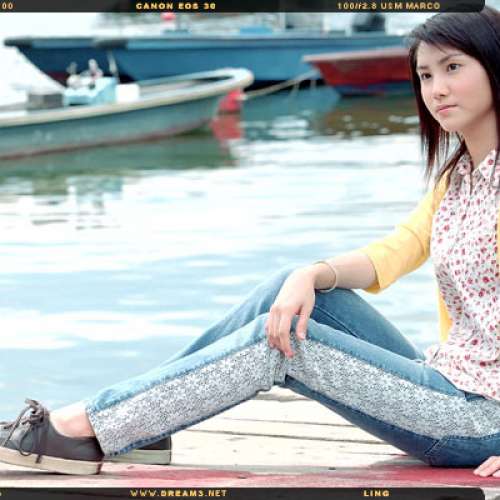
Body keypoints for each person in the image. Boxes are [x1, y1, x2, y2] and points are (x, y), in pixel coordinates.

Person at [1, 6, 499, 477]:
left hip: (480, 421)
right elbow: (394, 252)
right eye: (426, 75)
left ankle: (85, 427)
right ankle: (141, 421)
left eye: (453, 67)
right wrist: (310, 273)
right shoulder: (456, 181)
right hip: (448, 381)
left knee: (283, 343)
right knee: (294, 292)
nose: (437, 88)